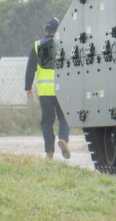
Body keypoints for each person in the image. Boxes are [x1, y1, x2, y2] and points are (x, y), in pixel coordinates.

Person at [25, 17, 70, 160]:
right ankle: (63, 139)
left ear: (46, 30)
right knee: (65, 117)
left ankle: (49, 152)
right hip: (61, 89)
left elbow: (30, 69)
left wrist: (28, 88)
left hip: (44, 91)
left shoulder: (37, 46)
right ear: (57, 30)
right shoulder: (63, 45)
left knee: (47, 121)